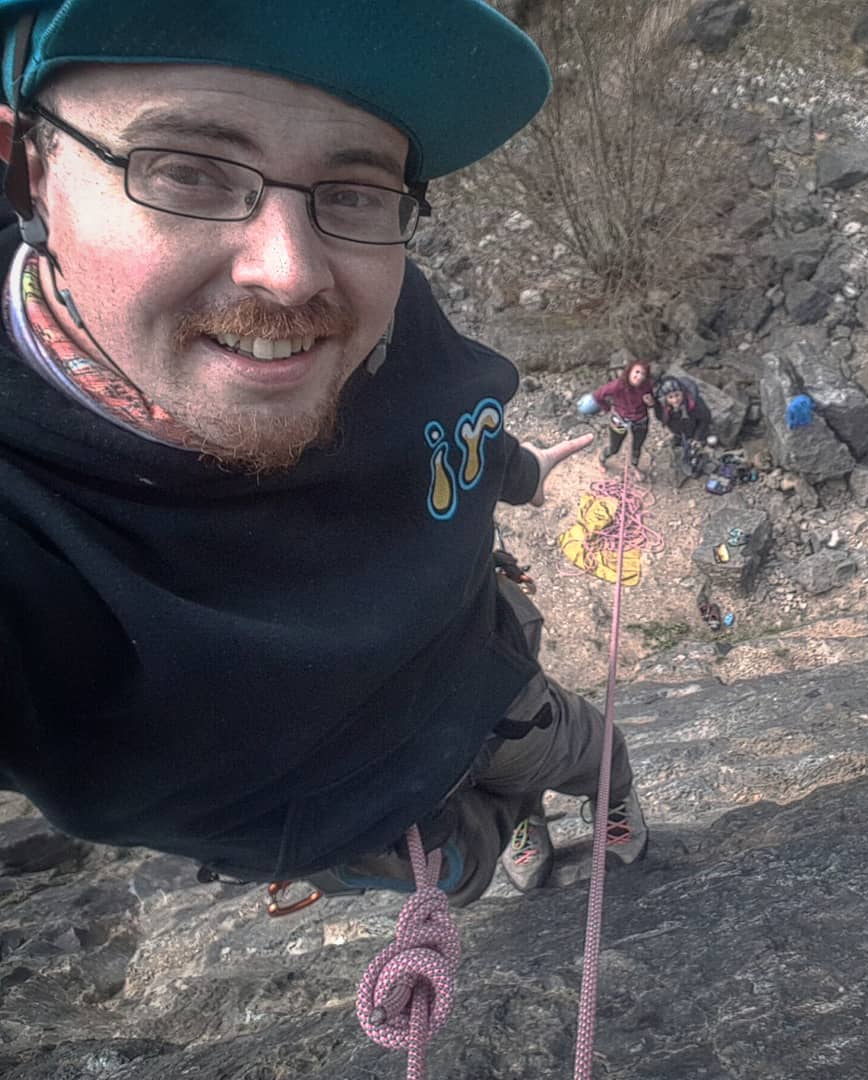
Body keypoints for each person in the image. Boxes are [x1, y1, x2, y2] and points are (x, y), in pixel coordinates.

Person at [0, 0, 647, 909]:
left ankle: (600, 806)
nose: (292, 273)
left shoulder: (381, 299)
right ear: (28, 173)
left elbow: (441, 422)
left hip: (490, 676)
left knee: (591, 752)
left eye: (351, 190)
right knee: (465, 872)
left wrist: (518, 470)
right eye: (188, 171)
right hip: (351, 825)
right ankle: (527, 822)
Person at [593, 359, 654, 480]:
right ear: (630, 371)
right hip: (620, 420)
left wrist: (651, 403)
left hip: (640, 420)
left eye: (643, 374)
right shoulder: (617, 385)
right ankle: (601, 459)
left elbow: (652, 403)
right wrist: (607, 408)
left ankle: (634, 466)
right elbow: (598, 395)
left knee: (637, 448)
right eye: (637, 372)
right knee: (614, 448)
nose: (639, 377)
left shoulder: (646, 386)